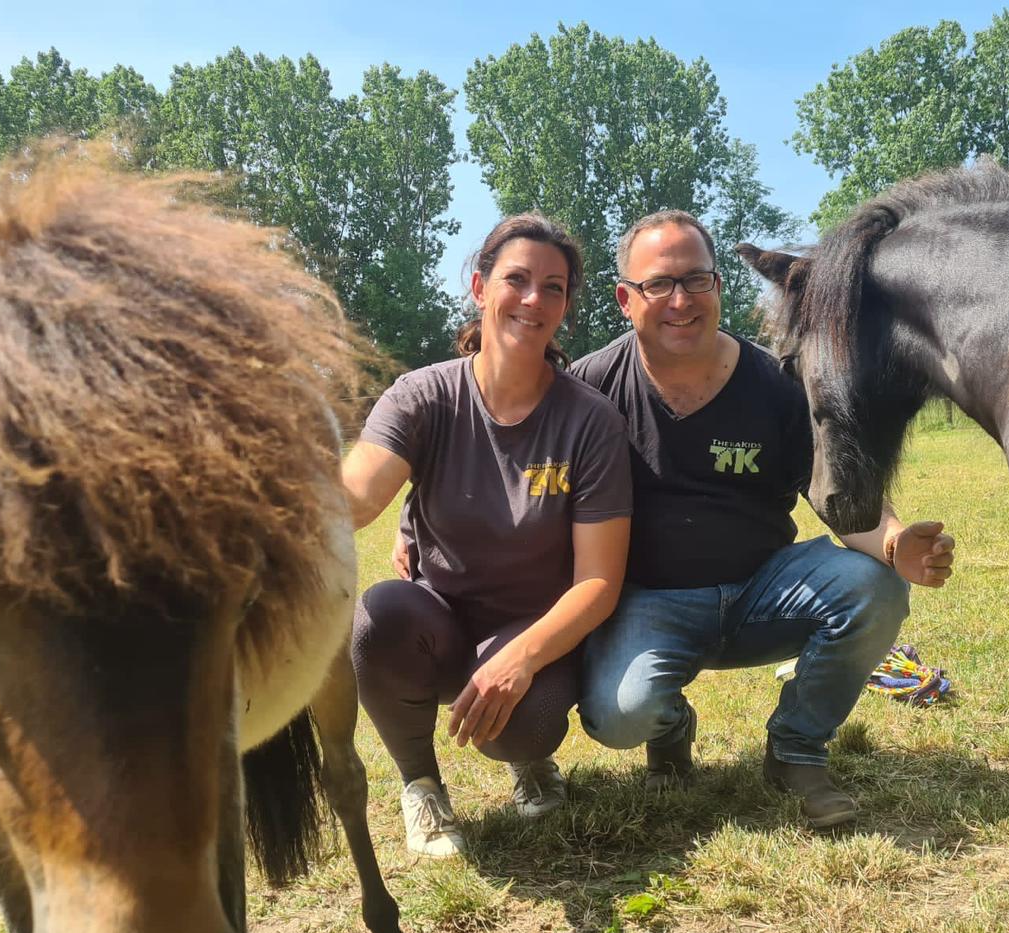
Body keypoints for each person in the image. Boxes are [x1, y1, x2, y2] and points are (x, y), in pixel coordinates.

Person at [570, 210, 956, 829]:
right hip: (650, 603)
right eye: (659, 284)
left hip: (764, 589)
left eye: (698, 281)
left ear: (719, 286)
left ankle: (797, 747)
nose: (681, 300)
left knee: (873, 588)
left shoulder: (777, 383)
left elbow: (829, 487)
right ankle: (670, 724)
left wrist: (890, 542)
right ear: (625, 298)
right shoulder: (590, 389)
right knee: (619, 718)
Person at [343, 213, 632, 857]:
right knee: (376, 616)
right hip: (437, 617)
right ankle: (421, 787)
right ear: (479, 287)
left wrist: (521, 658)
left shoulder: (590, 422)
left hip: (534, 629)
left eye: (553, 288)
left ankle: (530, 764)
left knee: (523, 727)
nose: (533, 299)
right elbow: (358, 493)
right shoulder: (422, 396)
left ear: (566, 307)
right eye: (517, 279)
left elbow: (598, 582)